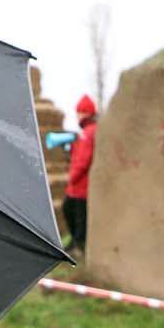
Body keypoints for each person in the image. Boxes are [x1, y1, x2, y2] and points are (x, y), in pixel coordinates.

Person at [62, 94, 98, 254]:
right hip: (80, 185)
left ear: (86, 112)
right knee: (73, 211)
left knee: (76, 214)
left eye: (79, 112)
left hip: (81, 185)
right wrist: (70, 148)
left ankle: (79, 246)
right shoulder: (87, 132)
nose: (77, 115)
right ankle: (76, 243)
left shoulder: (87, 133)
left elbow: (83, 160)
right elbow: (79, 154)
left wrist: (72, 178)